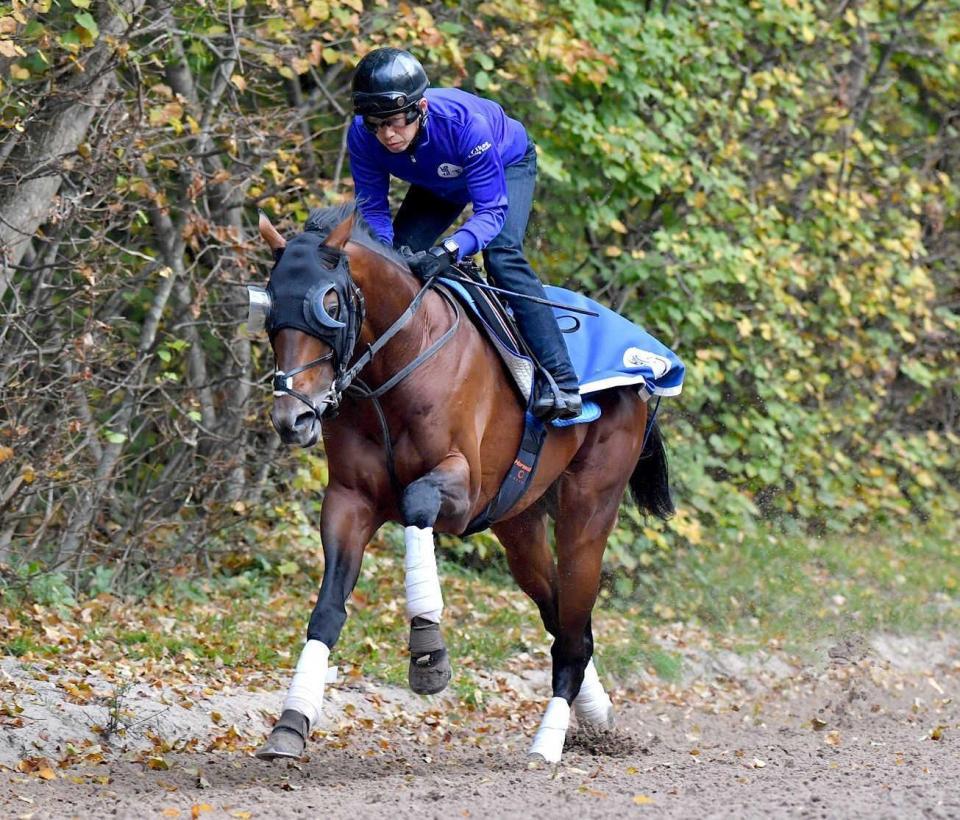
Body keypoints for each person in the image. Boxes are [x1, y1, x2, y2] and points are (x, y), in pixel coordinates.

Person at [347, 47, 582, 422]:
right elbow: (374, 209)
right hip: (437, 183)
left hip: (507, 164)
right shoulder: (362, 136)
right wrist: (387, 253)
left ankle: (561, 380)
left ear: (419, 108)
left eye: (395, 122)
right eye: (376, 124)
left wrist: (451, 249)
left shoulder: (466, 124)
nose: (387, 135)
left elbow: (490, 212)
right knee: (396, 265)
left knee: (502, 256)